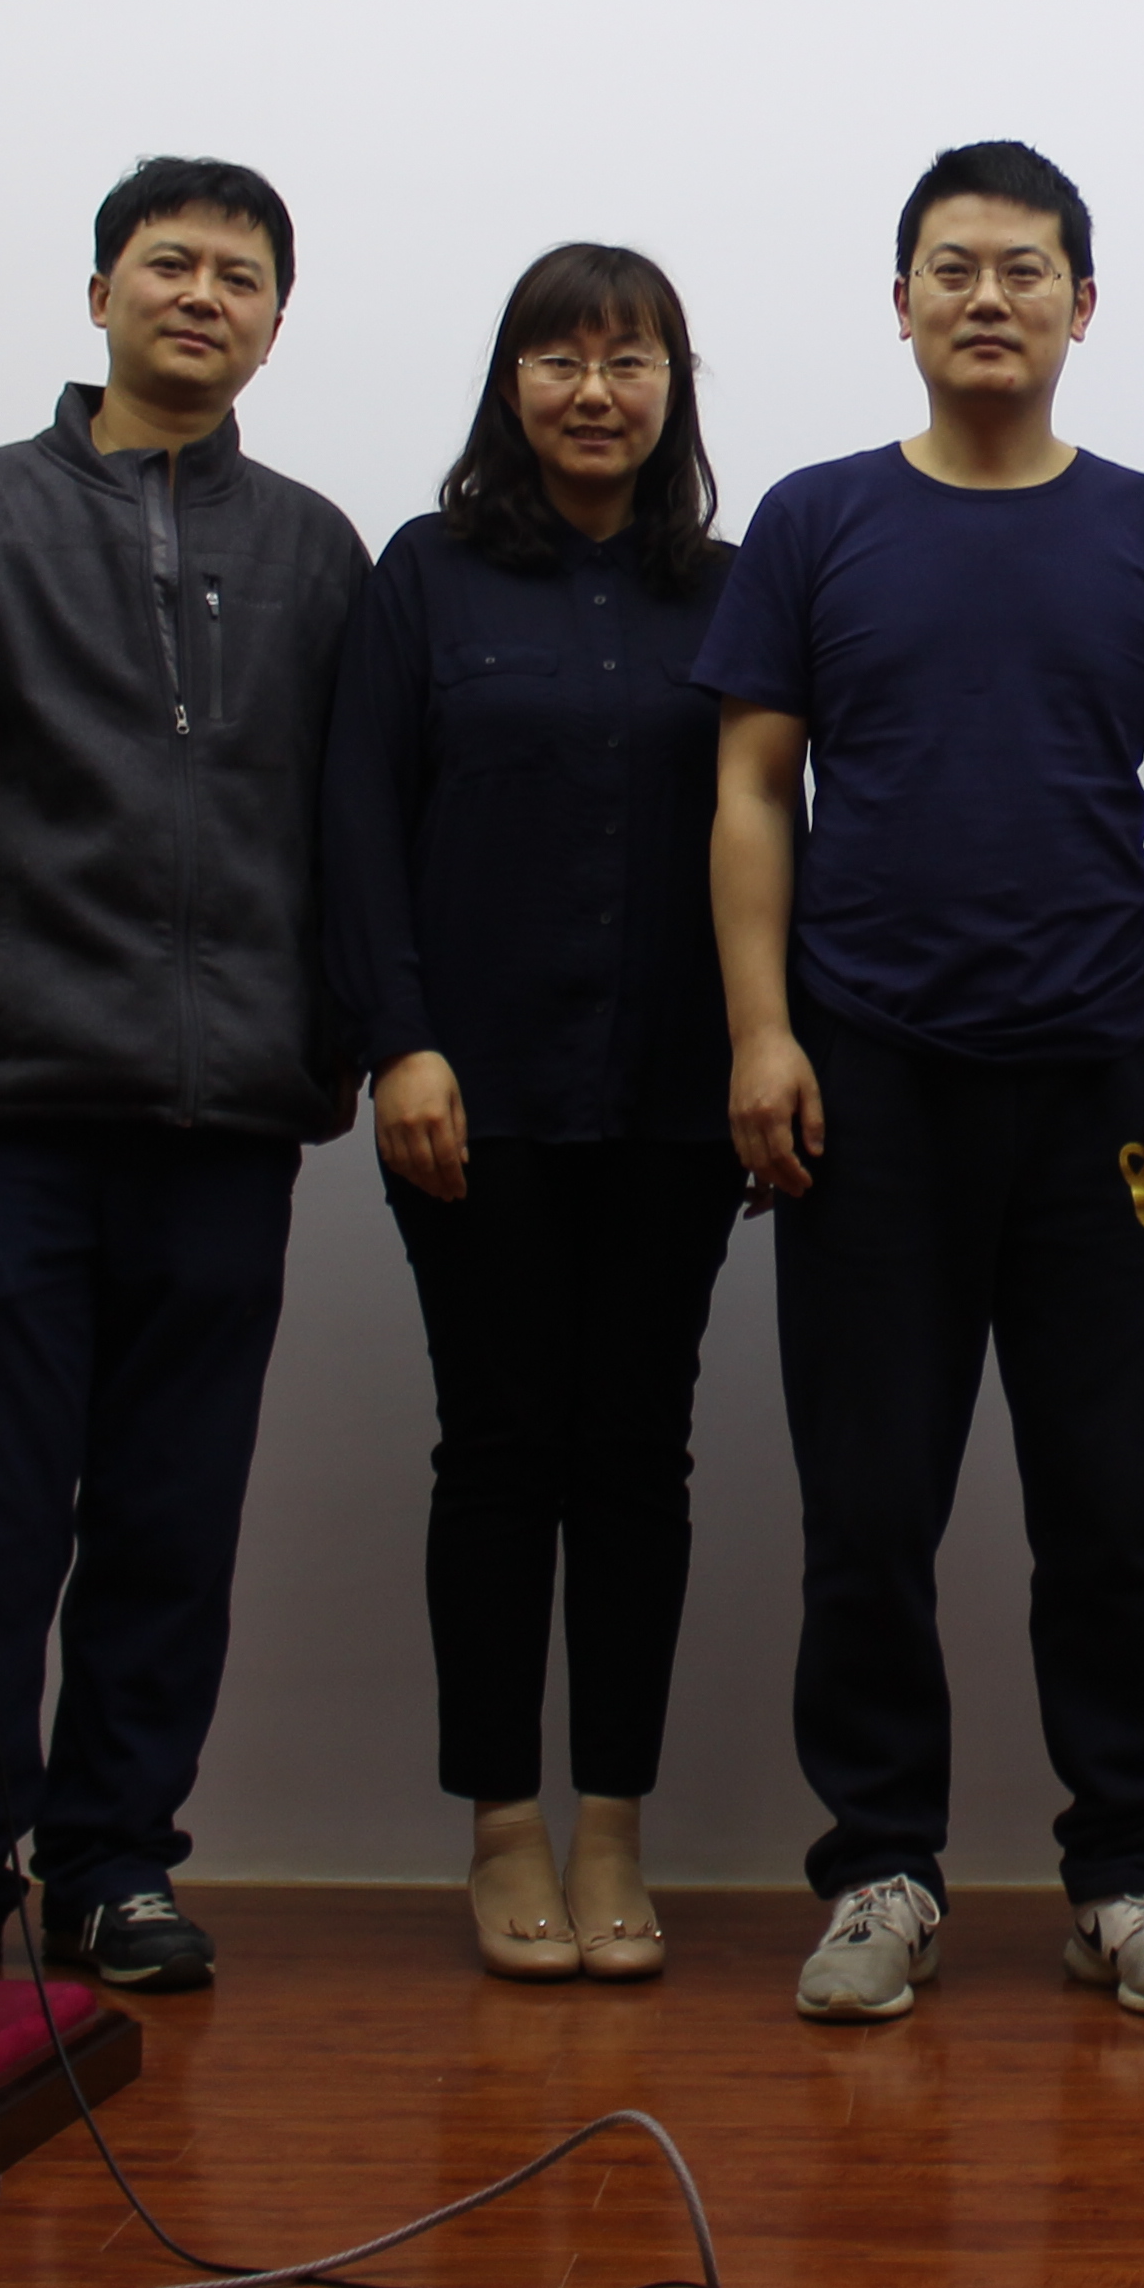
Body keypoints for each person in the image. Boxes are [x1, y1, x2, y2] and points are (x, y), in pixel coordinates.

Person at [697, 140, 1144, 2025]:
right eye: (954, 267)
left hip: (1101, 1083)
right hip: (866, 1083)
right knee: (868, 1512)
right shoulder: (816, 519)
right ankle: (881, 1870)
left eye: (1026, 269)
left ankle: (1129, 1877)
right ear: (902, 302)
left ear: (1082, 305)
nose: (990, 298)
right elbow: (752, 786)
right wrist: (761, 1030)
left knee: (1112, 1512)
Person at [0, 156, 370, 1993]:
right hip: (11, 1110)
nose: (203, 297)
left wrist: (341, 1037)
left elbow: (356, 823)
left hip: (229, 1120)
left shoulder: (316, 550)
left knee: (172, 1520)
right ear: (100, 296)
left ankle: (113, 1866)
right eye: (171, 264)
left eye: (242, 276)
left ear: (276, 324)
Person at [319, 243, 742, 1985]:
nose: (595, 391)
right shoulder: (423, 575)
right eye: (561, 358)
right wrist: (399, 1043)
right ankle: (503, 1826)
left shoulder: (730, 591)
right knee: (497, 1453)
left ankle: (616, 1824)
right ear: (512, 384)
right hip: (471, 1097)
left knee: (638, 1457)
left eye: (630, 360)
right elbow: (358, 818)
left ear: (673, 390)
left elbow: (778, 827)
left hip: (678, 1093)